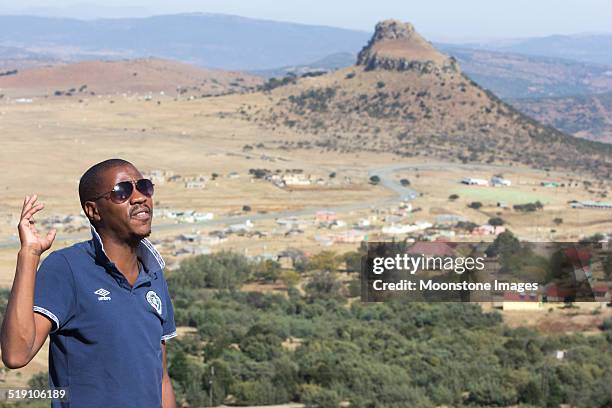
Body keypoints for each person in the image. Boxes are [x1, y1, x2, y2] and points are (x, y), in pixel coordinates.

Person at [0, 159, 177, 408]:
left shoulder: (154, 274)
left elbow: (161, 379)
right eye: (122, 191)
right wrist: (29, 255)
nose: (139, 197)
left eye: (144, 187)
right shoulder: (67, 268)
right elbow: (16, 354)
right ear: (93, 211)